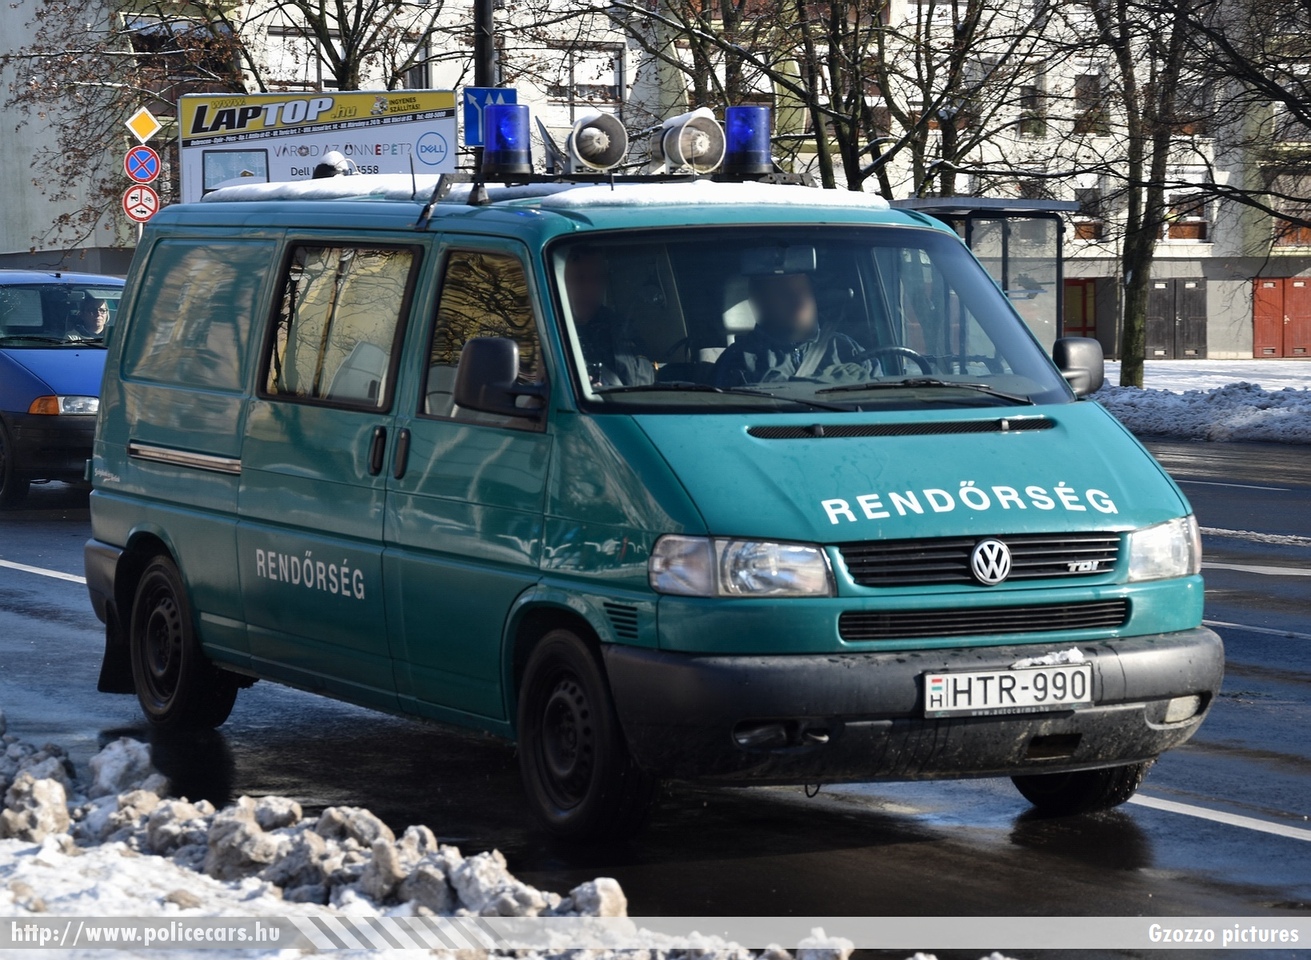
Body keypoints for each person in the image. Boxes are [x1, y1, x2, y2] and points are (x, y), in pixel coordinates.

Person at [713, 272, 874, 387]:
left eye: (804, 291)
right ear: (761, 302)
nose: (799, 301)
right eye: (784, 293)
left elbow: (882, 398)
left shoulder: (847, 349)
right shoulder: (738, 359)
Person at [564, 246, 655, 387]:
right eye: (579, 278)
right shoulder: (548, 331)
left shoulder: (622, 330)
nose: (591, 289)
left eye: (598, 278)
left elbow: (640, 387)